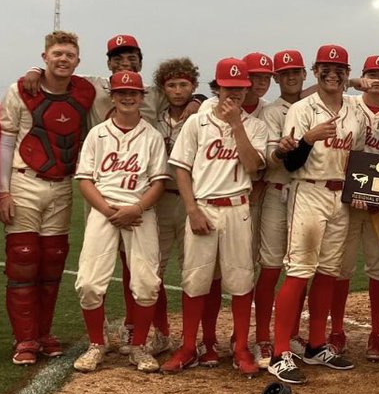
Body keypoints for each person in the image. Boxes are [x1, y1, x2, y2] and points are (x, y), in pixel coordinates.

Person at [267, 45, 368, 385]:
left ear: (346, 71)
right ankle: (280, 352)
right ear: (316, 70)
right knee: (299, 271)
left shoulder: (356, 110)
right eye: (326, 67)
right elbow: (291, 162)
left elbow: (358, 160)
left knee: (328, 273)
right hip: (308, 190)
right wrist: (308, 139)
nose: (332, 73)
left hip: (341, 195)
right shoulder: (301, 109)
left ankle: (315, 345)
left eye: (339, 67)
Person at [161, 58, 267, 375]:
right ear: (217, 87)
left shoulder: (256, 125)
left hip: (237, 206)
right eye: (228, 88)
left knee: (240, 278)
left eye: (239, 88)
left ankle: (240, 348)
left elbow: (252, 166)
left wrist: (237, 124)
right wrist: (191, 209)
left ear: (247, 88)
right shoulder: (197, 121)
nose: (233, 94)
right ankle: (189, 346)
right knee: (195, 279)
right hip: (204, 205)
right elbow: (180, 167)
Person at [0, 31, 97, 365]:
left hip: (62, 183)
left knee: (53, 260)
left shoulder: (85, 91)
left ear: (78, 60)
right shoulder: (20, 91)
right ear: (44, 57)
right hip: (25, 179)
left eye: (69, 55)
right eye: (57, 53)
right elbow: (6, 141)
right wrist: (3, 190)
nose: (63, 59)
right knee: (24, 259)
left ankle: (43, 333)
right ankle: (25, 339)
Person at [71, 71, 171, 374]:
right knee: (89, 283)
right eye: (122, 93)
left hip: (139, 212)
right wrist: (108, 210)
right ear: (112, 97)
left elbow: (158, 182)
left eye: (134, 93)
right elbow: (85, 180)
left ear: (142, 97)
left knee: (146, 284)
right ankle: (96, 344)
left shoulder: (151, 136)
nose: (128, 98)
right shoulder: (98, 134)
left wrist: (136, 207)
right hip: (104, 211)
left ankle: (138, 345)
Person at [334, 54, 379, 362]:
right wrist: (348, 82)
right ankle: (335, 330)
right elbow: (310, 92)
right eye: (371, 73)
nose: (376, 79)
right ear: (362, 77)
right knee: (340, 267)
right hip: (347, 198)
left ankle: (376, 332)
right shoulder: (346, 103)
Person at [253, 49, 308, 368]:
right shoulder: (272, 111)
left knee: (299, 269)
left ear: (304, 75)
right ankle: (262, 336)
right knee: (271, 266)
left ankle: (292, 333)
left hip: (305, 192)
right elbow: (270, 157)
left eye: (295, 72)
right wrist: (281, 152)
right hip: (277, 190)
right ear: (276, 78)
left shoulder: (312, 107)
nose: (290, 76)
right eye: (284, 72)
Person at [150, 57, 201, 355]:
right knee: (155, 269)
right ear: (163, 88)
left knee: (192, 271)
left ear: (193, 86)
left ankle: (191, 336)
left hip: (191, 199)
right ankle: (161, 332)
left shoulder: (202, 114)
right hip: (160, 198)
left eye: (184, 85)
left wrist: (200, 100)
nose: (178, 91)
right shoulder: (155, 118)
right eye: (172, 85)